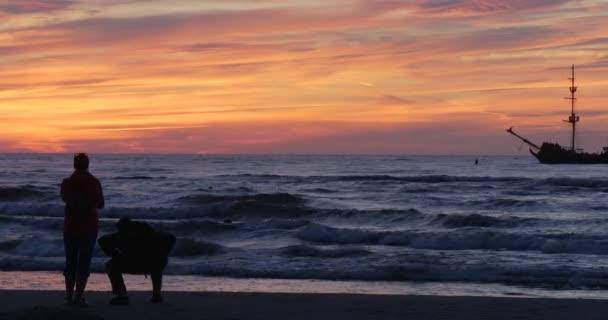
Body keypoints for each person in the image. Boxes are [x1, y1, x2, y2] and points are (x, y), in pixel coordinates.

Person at [60, 152, 104, 306]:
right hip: (89, 227)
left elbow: (65, 199)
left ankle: (69, 296)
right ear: (88, 164)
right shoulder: (94, 182)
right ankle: (79, 297)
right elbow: (100, 204)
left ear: (74, 164)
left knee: (70, 261)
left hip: (70, 227)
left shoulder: (66, 182)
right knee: (84, 261)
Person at [98, 218, 176, 305]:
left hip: (139, 263)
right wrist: (165, 252)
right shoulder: (150, 234)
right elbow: (171, 238)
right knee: (158, 260)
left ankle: (122, 296)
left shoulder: (121, 236)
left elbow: (102, 240)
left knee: (110, 265)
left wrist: (113, 254)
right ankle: (156, 294)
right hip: (143, 262)